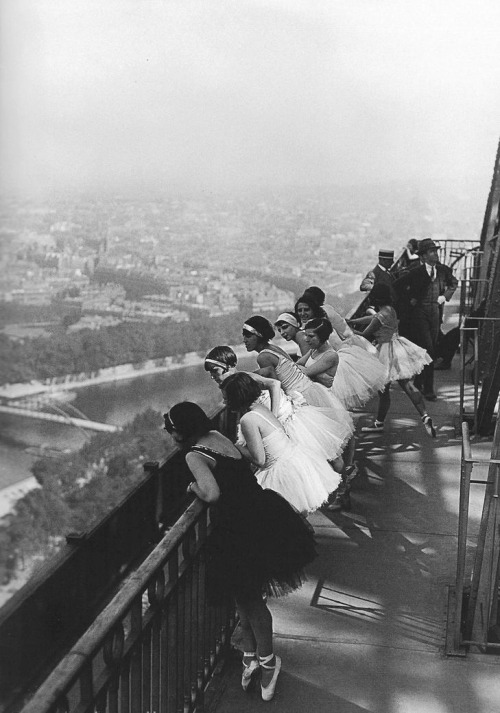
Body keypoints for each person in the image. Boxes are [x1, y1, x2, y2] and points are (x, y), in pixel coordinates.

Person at [163, 401, 317, 701]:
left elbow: (211, 492)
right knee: (244, 596)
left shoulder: (194, 455)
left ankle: (270, 662)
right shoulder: (217, 438)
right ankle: (250, 653)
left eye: (171, 430)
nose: (170, 436)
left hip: (239, 529)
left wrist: (193, 488)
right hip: (261, 514)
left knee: (250, 600)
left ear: (181, 431)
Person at [204, 345, 347, 473]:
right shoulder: (230, 386)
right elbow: (267, 373)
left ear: (229, 365)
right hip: (272, 427)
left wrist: (272, 415)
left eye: (215, 371)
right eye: (210, 373)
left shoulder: (245, 378)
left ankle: (344, 489)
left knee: (325, 454)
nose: (212, 376)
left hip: (287, 421)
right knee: (308, 463)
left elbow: (274, 383)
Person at [221, 372, 342, 513]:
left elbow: (259, 460)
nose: (224, 403)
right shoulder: (262, 409)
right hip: (295, 461)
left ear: (237, 397)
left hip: (281, 472)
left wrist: (235, 447)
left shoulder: (247, 420)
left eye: (226, 398)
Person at [349, 283, 436, 437]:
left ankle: (379, 423)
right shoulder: (390, 310)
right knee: (408, 385)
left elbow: (364, 333)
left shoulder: (380, 315)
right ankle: (425, 416)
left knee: (384, 391)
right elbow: (373, 317)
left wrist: (348, 328)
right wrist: (354, 321)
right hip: (397, 347)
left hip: (385, 352)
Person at [392, 238, 458, 400]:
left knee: (430, 348)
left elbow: (454, 283)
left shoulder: (443, 270)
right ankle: (428, 389)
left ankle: (420, 381)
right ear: (423, 256)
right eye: (431, 251)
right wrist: (410, 299)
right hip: (419, 314)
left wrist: (445, 296)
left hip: (435, 312)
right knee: (429, 349)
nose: (435, 254)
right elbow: (397, 285)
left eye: (435, 251)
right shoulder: (415, 271)